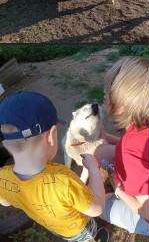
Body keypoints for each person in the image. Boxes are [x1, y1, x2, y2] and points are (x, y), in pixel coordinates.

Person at [0, 91, 109, 242]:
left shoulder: (2, 177)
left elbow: (5, 202)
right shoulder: (63, 179)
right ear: (51, 136)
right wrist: (93, 168)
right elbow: (97, 208)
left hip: (55, 227)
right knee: (87, 238)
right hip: (80, 228)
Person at [92, 56, 149, 236]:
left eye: (110, 88)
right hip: (142, 178)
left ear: (124, 103)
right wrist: (109, 137)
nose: (104, 90)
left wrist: (118, 189)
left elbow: (147, 210)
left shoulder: (129, 149)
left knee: (102, 204)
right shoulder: (142, 121)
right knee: (101, 152)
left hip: (148, 217)